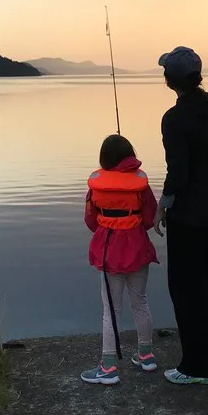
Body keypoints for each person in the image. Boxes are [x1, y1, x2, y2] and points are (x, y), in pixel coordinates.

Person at [154, 47, 208, 385]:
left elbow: (178, 171)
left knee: (189, 288)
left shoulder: (174, 119)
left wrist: (162, 205)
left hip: (190, 215)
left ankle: (198, 367)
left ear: (169, 80)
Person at [81, 134, 159, 385]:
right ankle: (146, 356)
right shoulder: (141, 185)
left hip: (109, 252)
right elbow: (150, 218)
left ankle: (108, 368)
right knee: (140, 303)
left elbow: (90, 221)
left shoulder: (96, 186)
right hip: (138, 250)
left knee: (111, 311)